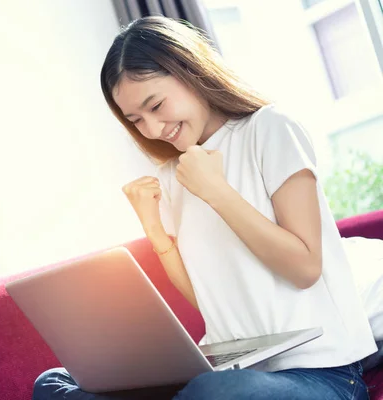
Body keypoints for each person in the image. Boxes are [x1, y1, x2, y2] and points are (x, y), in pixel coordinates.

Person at [33, 16, 377, 400]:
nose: (152, 128)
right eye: (135, 120)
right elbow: (211, 302)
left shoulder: (270, 129)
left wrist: (217, 191)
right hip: (234, 366)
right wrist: (155, 232)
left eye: (156, 105)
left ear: (189, 70)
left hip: (322, 375)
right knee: (51, 384)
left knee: (214, 391)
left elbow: (305, 267)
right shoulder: (172, 174)